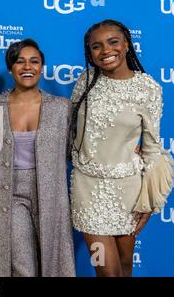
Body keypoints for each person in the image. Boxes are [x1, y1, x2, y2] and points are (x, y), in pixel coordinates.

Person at [70, 19, 173, 277]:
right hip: (87, 190)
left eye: (113, 42)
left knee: (125, 268)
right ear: (90, 53)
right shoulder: (86, 80)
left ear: (126, 44)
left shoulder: (148, 89)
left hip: (127, 192)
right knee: (107, 272)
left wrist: (149, 201)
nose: (105, 50)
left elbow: (151, 149)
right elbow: (69, 129)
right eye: (96, 46)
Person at [0, 39, 76, 277]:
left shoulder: (61, 108)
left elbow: (79, 150)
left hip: (50, 193)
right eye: (20, 61)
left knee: (53, 261)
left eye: (34, 61)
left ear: (42, 67)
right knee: (22, 264)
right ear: (11, 67)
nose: (27, 67)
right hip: (9, 193)